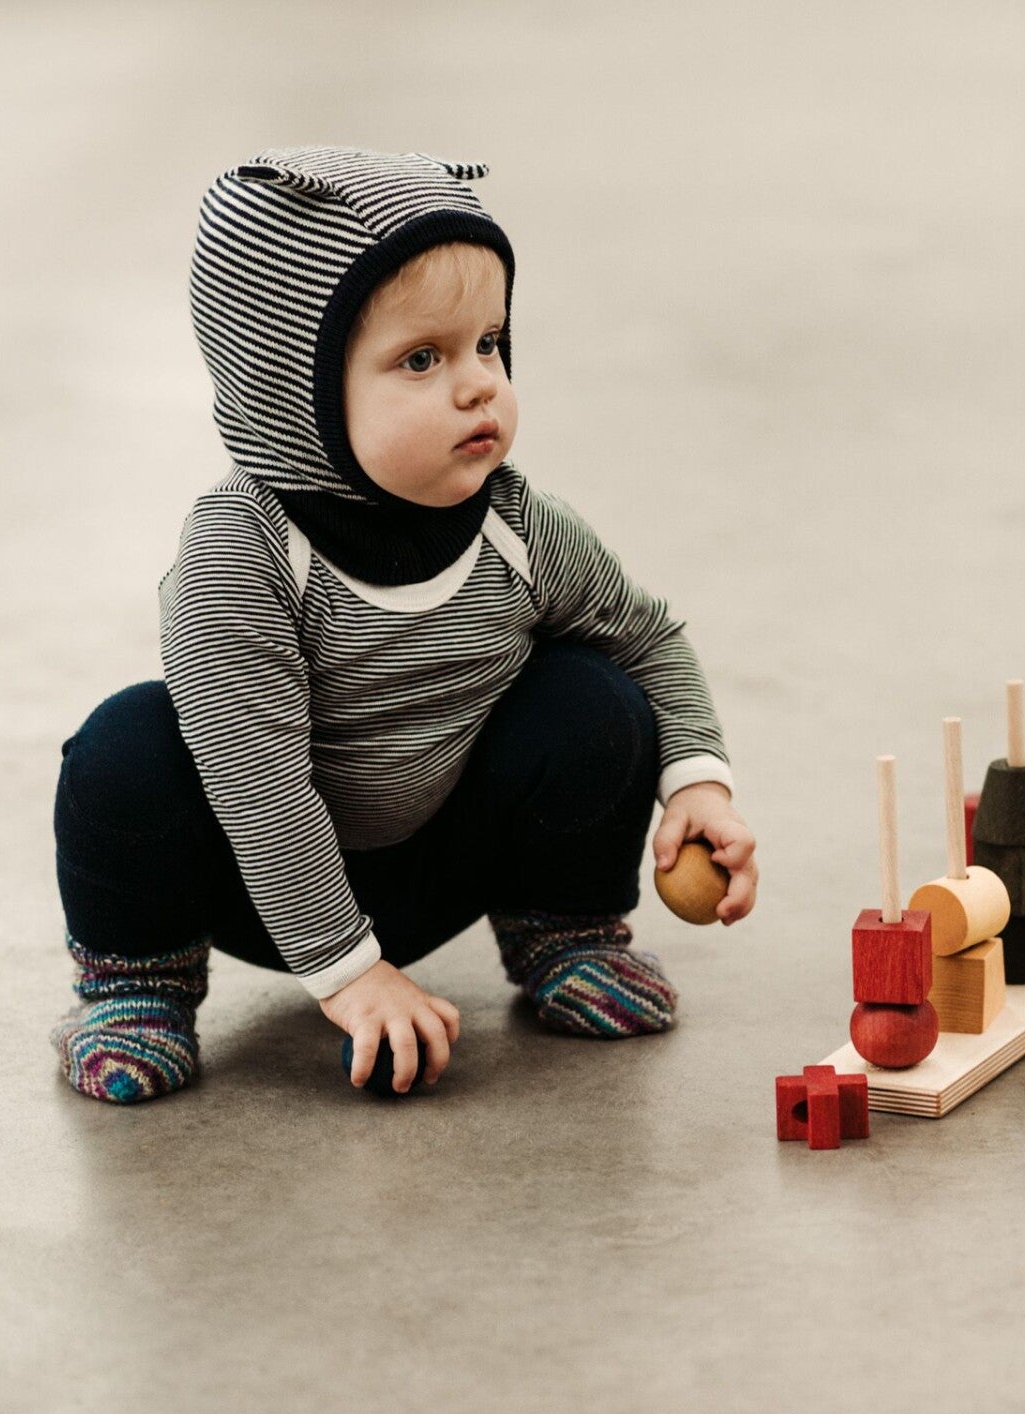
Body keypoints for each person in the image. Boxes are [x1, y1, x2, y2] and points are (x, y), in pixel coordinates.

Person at [49, 147, 757, 1104]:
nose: (477, 386)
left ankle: (564, 931)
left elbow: (647, 636)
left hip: (442, 853)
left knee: (597, 699)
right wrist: (352, 973)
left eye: (489, 345)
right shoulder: (243, 552)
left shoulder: (518, 524)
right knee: (124, 752)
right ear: (290, 392)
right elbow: (255, 778)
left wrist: (697, 781)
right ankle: (138, 986)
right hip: (259, 872)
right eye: (421, 359)